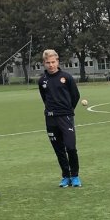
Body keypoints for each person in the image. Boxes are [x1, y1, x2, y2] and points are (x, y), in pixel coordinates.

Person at [38, 49, 82, 187]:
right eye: (48, 62)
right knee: (59, 150)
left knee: (70, 147)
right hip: (51, 119)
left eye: (53, 62)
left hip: (66, 117)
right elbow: (45, 99)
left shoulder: (66, 77)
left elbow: (75, 96)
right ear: (44, 63)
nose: (51, 65)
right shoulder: (42, 81)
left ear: (57, 61)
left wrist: (68, 110)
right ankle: (66, 176)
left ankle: (75, 176)